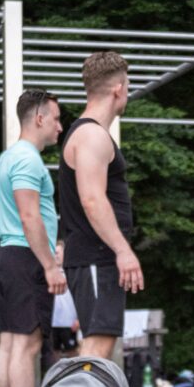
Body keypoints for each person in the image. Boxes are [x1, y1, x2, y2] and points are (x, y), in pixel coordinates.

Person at [59, 51, 144, 359]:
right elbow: (92, 200)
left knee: (102, 341)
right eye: (129, 86)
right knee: (97, 342)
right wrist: (123, 251)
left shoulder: (90, 133)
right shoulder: (92, 135)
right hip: (96, 255)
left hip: (97, 256)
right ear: (118, 88)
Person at [0, 89, 67, 387]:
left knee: (9, 344)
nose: (60, 127)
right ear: (40, 118)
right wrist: (50, 265)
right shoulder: (26, 159)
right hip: (26, 258)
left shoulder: (7, 158)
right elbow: (29, 214)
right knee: (26, 346)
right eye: (57, 119)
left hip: (10, 256)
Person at [41, 240, 80, 372]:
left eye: (57, 252)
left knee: (73, 352)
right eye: (53, 253)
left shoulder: (72, 272)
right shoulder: (46, 273)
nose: (55, 255)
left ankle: (76, 377)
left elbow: (79, 296)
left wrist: (79, 318)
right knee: (53, 354)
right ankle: (55, 380)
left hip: (68, 321)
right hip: (51, 321)